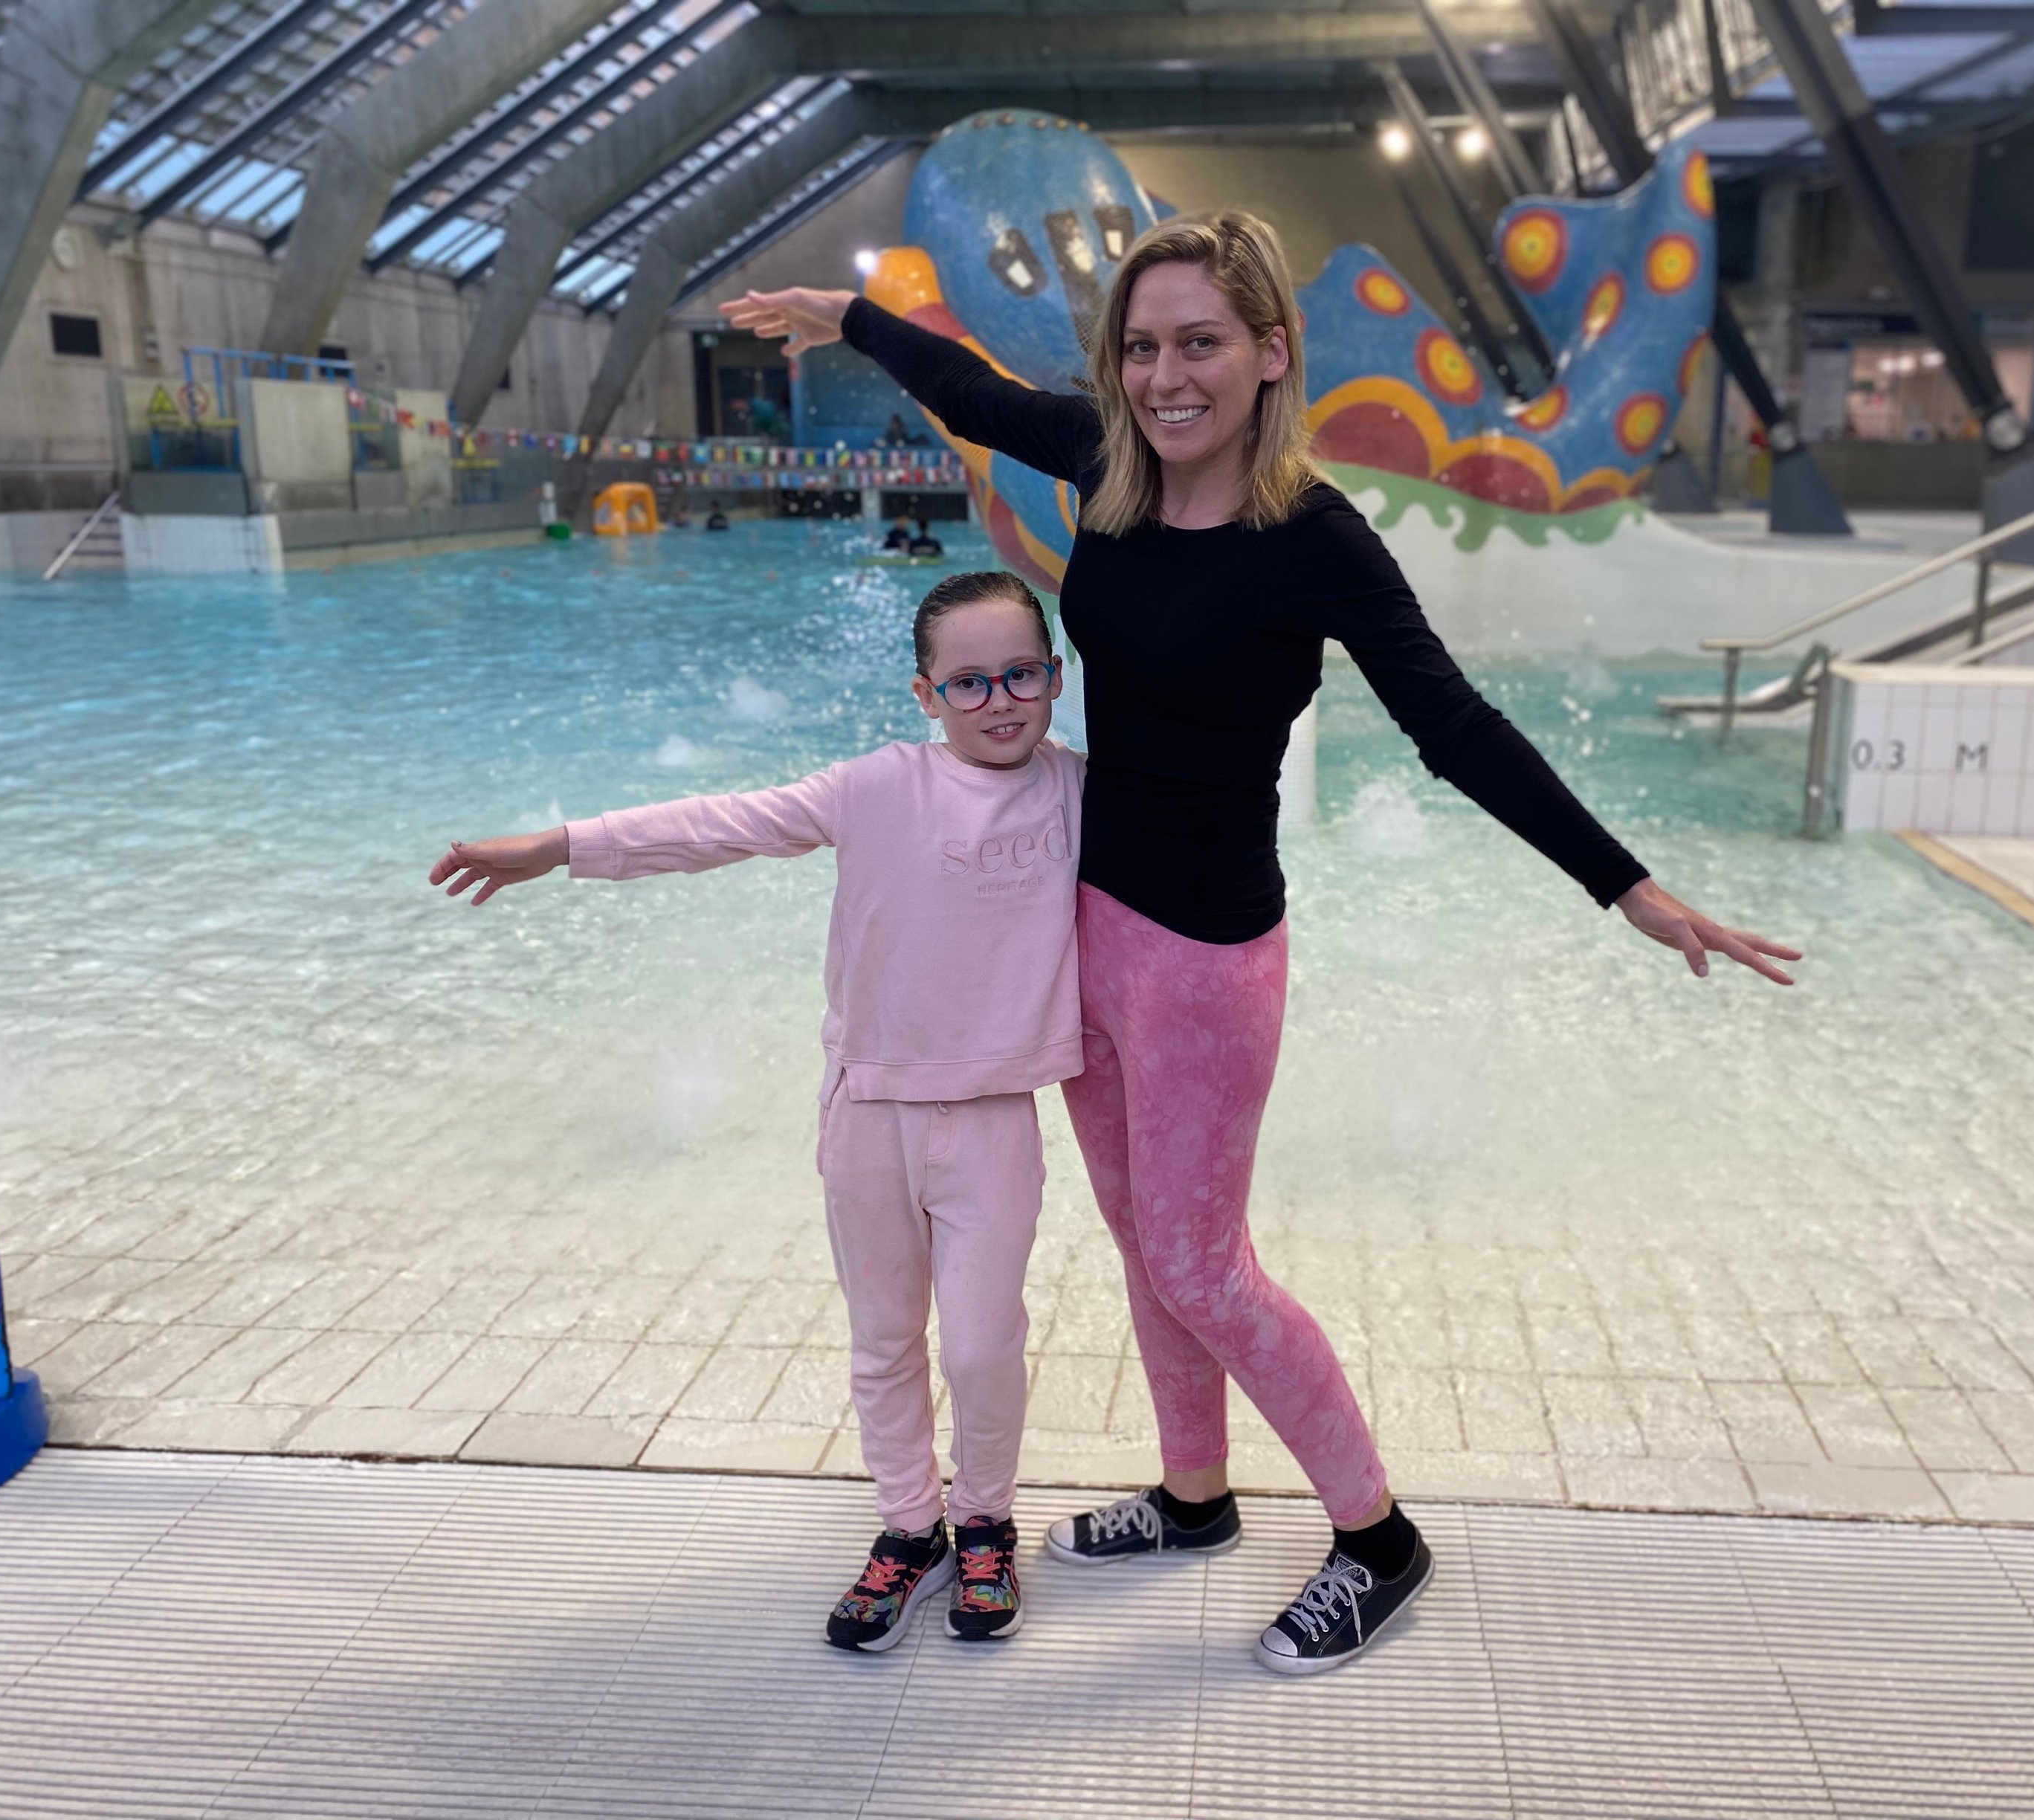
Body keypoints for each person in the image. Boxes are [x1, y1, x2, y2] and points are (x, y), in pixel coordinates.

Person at [723, 212, 1798, 1677]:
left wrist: (1627, 885)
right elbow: (974, 396)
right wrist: (847, 316)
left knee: (1201, 1260)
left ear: (1268, 355)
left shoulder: (1316, 540)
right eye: (1145, 346)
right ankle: (1195, 1497)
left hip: (1208, 954)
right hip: (1083, 929)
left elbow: (1455, 728)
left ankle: (1377, 1536)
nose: (1169, 376)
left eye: (1201, 343)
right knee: (1140, 1245)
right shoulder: (1111, 473)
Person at [427, 572, 1083, 1656]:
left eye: (1022, 673)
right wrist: (556, 847)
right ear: (925, 694)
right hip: (869, 1113)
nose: (1000, 699)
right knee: (883, 1343)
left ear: (1056, 678)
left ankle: (986, 1521)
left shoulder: (1075, 791)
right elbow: (719, 823)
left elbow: (1191, 826)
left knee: (979, 1345)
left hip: (995, 1122)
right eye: (970, 683)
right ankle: (911, 1526)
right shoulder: (877, 788)